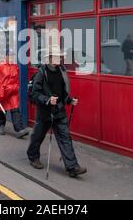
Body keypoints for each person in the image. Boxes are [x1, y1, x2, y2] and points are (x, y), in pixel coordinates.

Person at [27, 45, 87, 178]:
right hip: (45, 111)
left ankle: (72, 167)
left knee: (65, 138)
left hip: (59, 110)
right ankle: (32, 157)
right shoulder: (41, 72)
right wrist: (47, 99)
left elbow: (62, 91)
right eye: (56, 56)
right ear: (48, 58)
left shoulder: (62, 71)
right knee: (38, 136)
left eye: (60, 56)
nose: (59, 58)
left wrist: (69, 100)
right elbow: (35, 93)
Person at [0, 51, 29, 139]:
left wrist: (16, 87)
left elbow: (16, 79)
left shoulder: (15, 67)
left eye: (12, 57)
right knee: (1, 110)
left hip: (12, 92)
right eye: (10, 57)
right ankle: (1, 126)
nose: (11, 58)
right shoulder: (0, 67)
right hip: (2, 92)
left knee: (15, 109)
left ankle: (19, 130)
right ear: (6, 57)